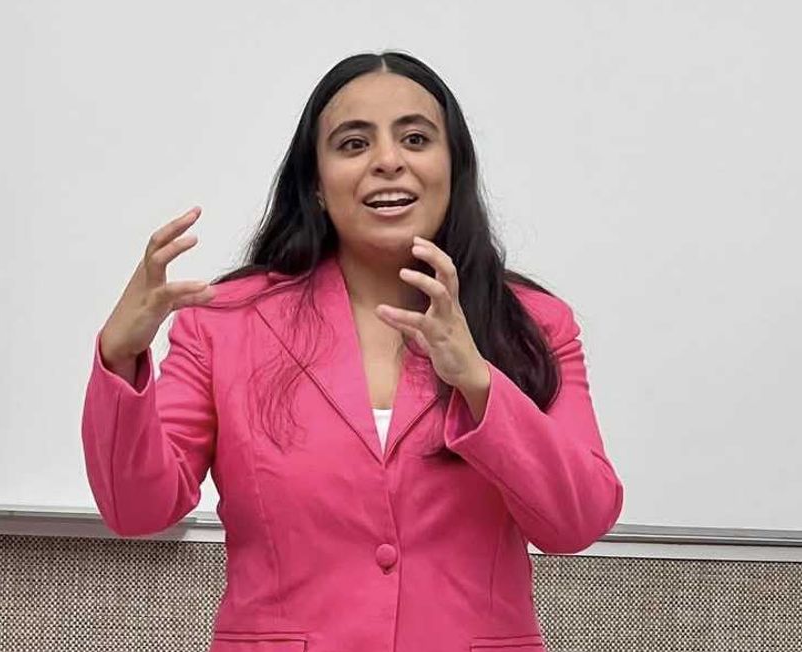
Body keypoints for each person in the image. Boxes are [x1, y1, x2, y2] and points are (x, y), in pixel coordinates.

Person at [82, 51, 624, 652]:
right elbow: (137, 511)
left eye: (415, 139)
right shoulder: (226, 321)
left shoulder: (535, 324)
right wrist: (120, 357)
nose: (388, 161)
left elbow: (578, 522)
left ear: (453, 165)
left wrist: (477, 380)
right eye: (353, 144)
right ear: (315, 184)